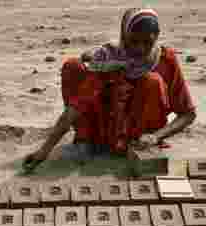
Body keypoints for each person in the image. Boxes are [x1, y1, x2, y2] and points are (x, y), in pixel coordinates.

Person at [24, 8, 196, 168]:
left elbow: (188, 114)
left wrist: (156, 136)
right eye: (133, 41)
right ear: (124, 35)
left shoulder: (166, 60)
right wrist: (44, 150)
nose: (140, 48)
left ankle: (136, 146)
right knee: (73, 66)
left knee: (152, 81)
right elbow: (75, 108)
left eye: (147, 42)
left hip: (142, 140)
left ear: (157, 36)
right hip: (106, 133)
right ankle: (86, 142)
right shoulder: (109, 61)